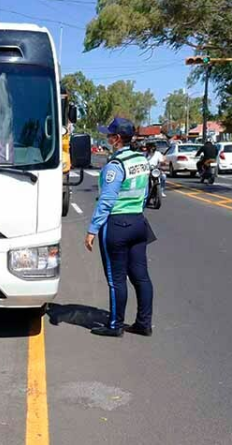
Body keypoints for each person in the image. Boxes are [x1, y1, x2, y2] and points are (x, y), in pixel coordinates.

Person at [85, 117, 154, 338]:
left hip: (117, 224)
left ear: (116, 139)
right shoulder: (141, 160)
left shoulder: (115, 166)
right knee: (141, 277)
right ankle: (144, 324)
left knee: (116, 280)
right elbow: (145, 192)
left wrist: (92, 230)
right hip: (138, 222)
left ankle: (115, 325)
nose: (106, 138)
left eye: (109, 135)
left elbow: (106, 200)